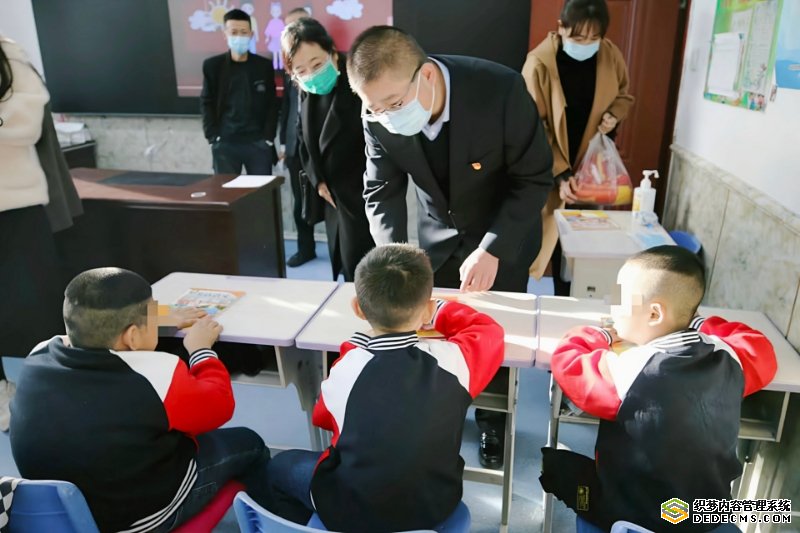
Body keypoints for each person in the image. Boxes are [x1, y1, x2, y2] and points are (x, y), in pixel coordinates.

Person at [346, 25, 553, 468]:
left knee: (496, 334)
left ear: (426, 76)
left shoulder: (500, 90)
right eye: (373, 107)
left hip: (501, 234)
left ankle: (493, 422)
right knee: (429, 331)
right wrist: (397, 258)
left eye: (394, 105)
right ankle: (440, 412)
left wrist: (493, 247)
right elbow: (380, 189)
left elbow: (533, 179)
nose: (384, 115)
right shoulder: (377, 113)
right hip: (435, 237)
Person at [10, 268, 273, 533]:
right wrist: (201, 349)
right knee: (250, 443)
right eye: (152, 316)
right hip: (141, 519)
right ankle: (269, 518)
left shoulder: (39, 354)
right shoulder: (156, 374)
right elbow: (219, 405)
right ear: (132, 336)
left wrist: (157, 317)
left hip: (60, 515)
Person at [264, 244, 505, 531]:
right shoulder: (455, 362)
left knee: (279, 467)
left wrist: (354, 347)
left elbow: (323, 418)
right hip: (434, 507)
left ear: (357, 308)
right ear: (427, 310)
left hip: (351, 512)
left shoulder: (347, 369)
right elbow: (488, 331)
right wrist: (438, 309)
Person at [541, 246, 777, 531]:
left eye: (620, 300)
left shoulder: (629, 368)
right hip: (705, 516)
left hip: (638, 515)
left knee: (558, 468)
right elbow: (757, 344)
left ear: (654, 314)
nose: (613, 308)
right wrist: (695, 321)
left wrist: (600, 334)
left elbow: (569, 363)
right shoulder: (729, 356)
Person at [522, 0, 634, 296]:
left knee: (580, 252)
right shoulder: (539, 63)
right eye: (578, 37)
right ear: (561, 28)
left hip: (591, 170)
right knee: (541, 243)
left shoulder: (609, 55)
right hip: (546, 166)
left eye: (594, 38)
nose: (586, 44)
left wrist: (613, 116)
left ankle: (573, 304)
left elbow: (623, 95)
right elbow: (534, 126)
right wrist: (560, 174)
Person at [0, 35, 65, 431]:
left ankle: (53, 388)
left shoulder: (7, 52)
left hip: (17, 206)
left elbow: (27, 122)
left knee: (37, 303)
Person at [282, 18, 375, 281]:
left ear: (332, 52)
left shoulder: (358, 80)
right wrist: (318, 180)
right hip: (331, 193)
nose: (311, 75)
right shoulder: (305, 88)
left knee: (364, 267)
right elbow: (303, 137)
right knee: (343, 260)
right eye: (301, 70)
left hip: (362, 192)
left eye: (317, 64)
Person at [201, 8, 278, 175]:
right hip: (225, 142)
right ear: (225, 34)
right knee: (227, 189)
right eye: (234, 32)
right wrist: (213, 137)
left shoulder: (263, 66)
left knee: (261, 189)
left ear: (251, 34)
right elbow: (207, 102)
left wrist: (268, 138)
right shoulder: (213, 66)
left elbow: (272, 103)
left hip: (257, 142)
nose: (239, 37)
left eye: (243, 32)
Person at [279, 7, 317, 268]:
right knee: (300, 203)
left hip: (320, 148)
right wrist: (284, 142)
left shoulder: (323, 62)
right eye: (288, 28)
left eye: (299, 25)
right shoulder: (290, 65)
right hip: (295, 148)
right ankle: (306, 249)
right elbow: (287, 108)